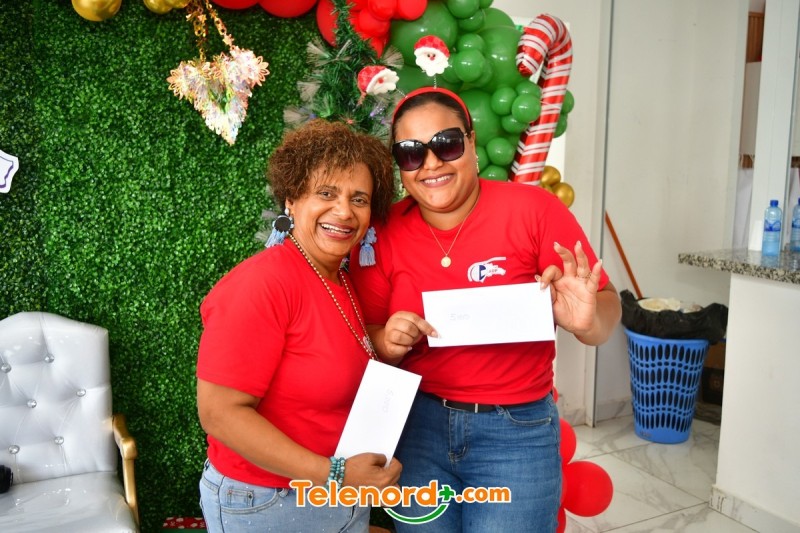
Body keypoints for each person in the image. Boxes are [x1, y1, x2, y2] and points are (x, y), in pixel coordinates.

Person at [349, 87, 622, 532]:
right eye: (411, 153)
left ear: (472, 142)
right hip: (418, 428)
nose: (431, 164)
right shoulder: (382, 232)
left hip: (516, 432)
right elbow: (367, 337)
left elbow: (607, 306)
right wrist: (388, 341)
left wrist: (588, 321)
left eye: (446, 144)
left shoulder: (533, 210)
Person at [196, 119, 401, 533]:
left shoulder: (339, 279)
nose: (344, 211)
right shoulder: (262, 283)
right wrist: (336, 474)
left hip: (329, 495)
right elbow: (219, 413)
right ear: (292, 200)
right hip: (269, 501)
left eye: (358, 199)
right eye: (326, 193)